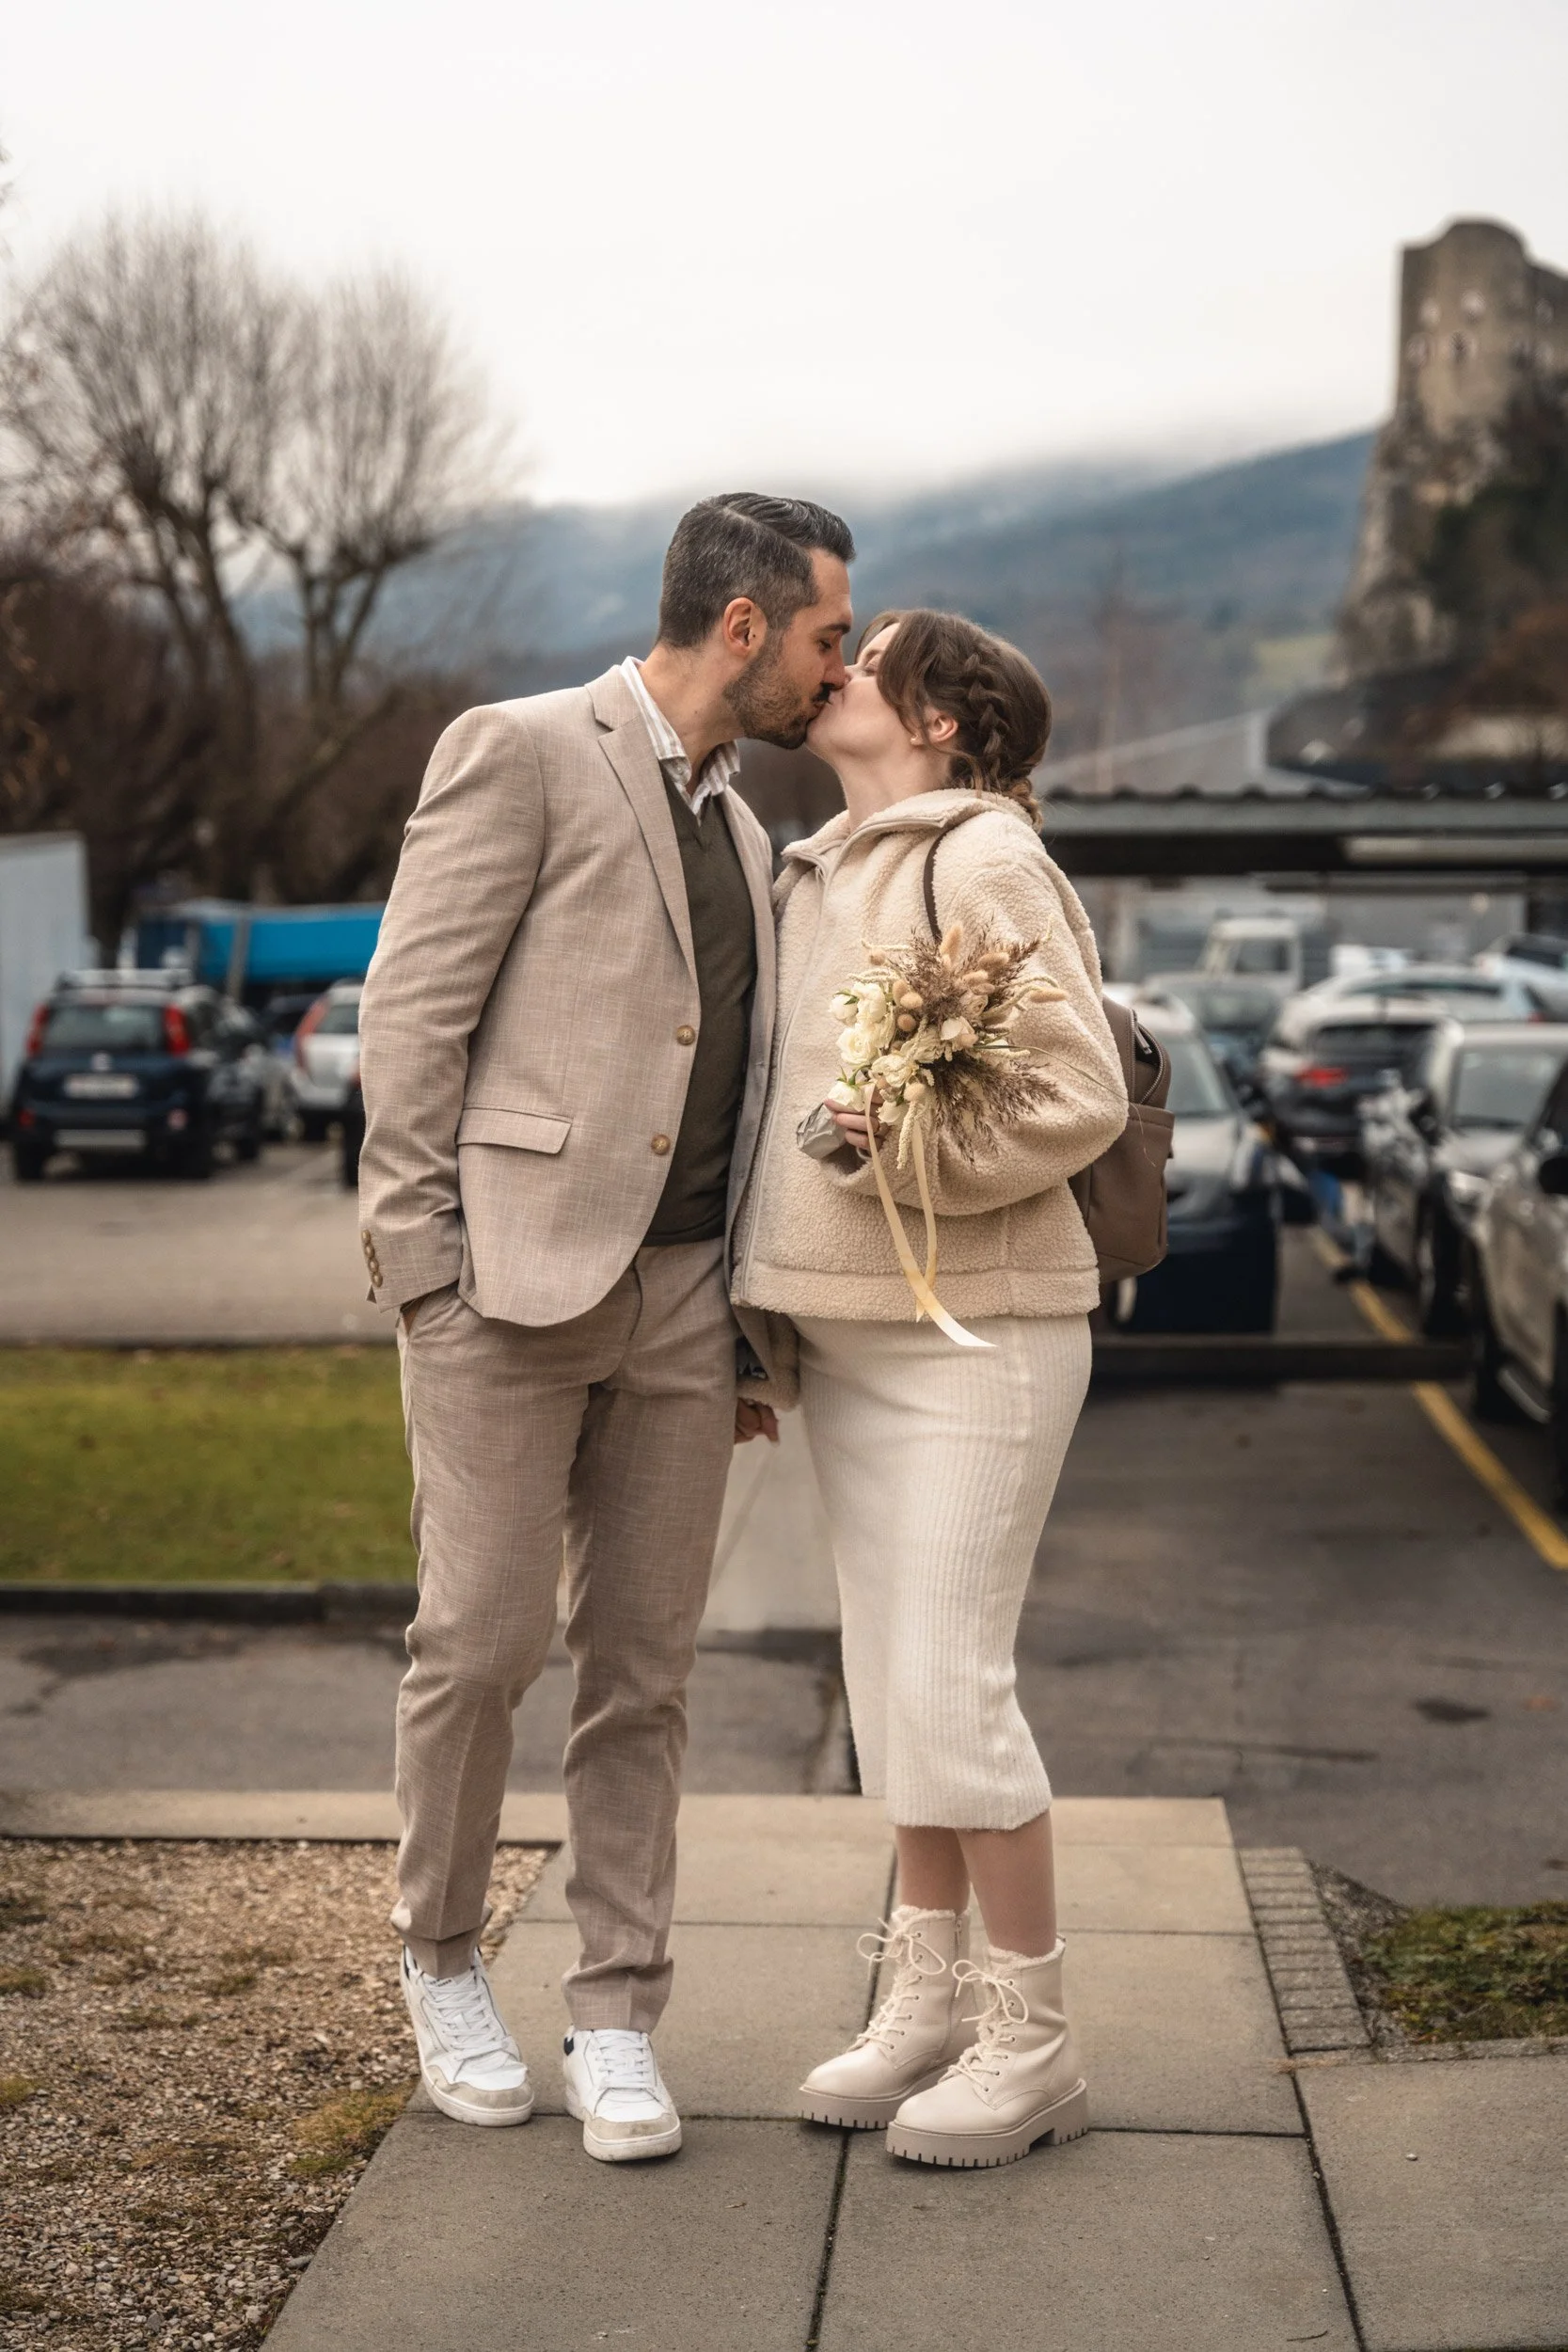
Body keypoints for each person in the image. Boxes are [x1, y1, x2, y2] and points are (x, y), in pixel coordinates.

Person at [357, 493, 854, 2163]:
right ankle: (441, 1963)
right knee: (482, 1644)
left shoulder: (746, 832)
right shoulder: (516, 751)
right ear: (740, 625)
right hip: (500, 1291)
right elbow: (410, 1020)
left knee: (643, 1676)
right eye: (824, 637)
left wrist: (750, 1338)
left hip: (685, 1309)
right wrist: (421, 1268)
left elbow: (735, 1082)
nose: (834, 668)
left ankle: (617, 2013)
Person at [731, 610, 1128, 2168]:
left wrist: (899, 1146)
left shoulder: (981, 853)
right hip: (849, 1334)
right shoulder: (816, 868)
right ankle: (925, 2007)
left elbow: (1078, 1092)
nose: (838, 662)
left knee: (953, 1691)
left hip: (980, 1334)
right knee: (894, 1685)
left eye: (873, 648)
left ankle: (1033, 2045)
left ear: (941, 720)